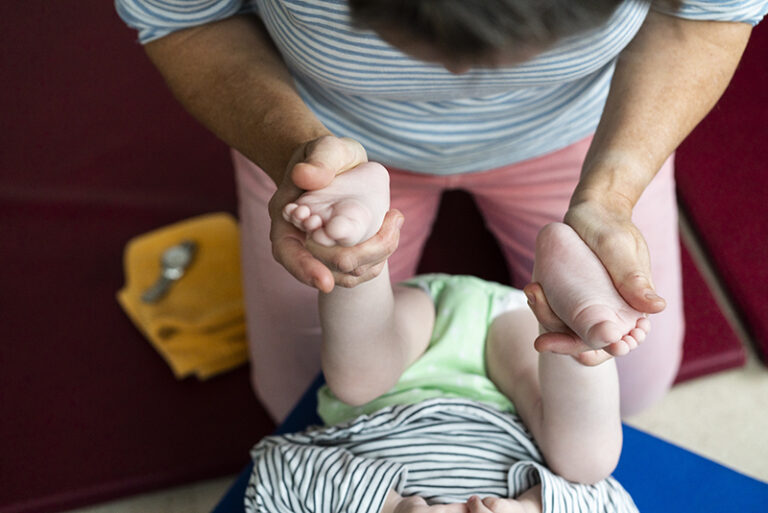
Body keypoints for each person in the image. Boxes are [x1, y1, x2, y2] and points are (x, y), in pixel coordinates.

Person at [115, 0, 767, 420]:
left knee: (629, 390)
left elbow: (705, 15)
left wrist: (612, 191)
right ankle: (347, 200)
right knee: (303, 399)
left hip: (582, 132)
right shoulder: (315, 154)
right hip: (326, 131)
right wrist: (295, 153)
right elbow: (186, 17)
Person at [244, 162, 642, 513]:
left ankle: (357, 239)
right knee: (589, 461)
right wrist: (530, 508)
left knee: (356, 379)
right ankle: (567, 316)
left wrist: (388, 506)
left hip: (405, 365)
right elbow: (610, 502)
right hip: (517, 385)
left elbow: (274, 472)